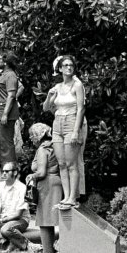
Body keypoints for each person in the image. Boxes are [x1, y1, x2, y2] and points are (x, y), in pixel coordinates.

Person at [44, 54, 86, 210]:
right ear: (60, 69)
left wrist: (76, 131)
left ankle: (72, 197)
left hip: (71, 121)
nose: (69, 68)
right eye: (66, 65)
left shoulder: (77, 85)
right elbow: (46, 108)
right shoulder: (57, 87)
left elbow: (81, 109)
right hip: (57, 123)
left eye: (71, 65)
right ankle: (66, 196)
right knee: (61, 163)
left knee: (71, 164)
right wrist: (49, 96)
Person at [25, 123, 62, 253]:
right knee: (51, 220)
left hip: (47, 184)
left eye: (31, 135)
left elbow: (41, 172)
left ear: (37, 136)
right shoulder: (53, 146)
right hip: (56, 182)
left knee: (45, 222)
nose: (30, 138)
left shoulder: (42, 149)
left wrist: (31, 176)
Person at [0, 162, 31, 252]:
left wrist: (1, 221)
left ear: (15, 173)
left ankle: (28, 245)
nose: (4, 173)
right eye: (3, 171)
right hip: (4, 219)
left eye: (7, 171)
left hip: (20, 220)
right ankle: (5, 242)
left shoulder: (22, 188)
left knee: (5, 229)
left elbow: (18, 214)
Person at [0, 52, 22, 166]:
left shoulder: (11, 75)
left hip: (4, 113)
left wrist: (5, 114)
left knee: (6, 143)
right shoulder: (3, 74)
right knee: (1, 143)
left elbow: (11, 95)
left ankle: (10, 170)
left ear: (6, 62)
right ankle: (3, 168)